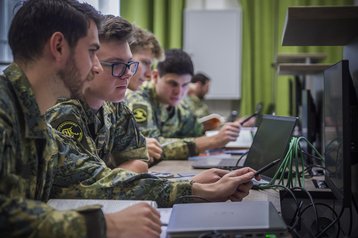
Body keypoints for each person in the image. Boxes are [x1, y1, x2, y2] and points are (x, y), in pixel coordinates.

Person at [0, 2, 257, 237]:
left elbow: (91, 180)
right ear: (58, 47)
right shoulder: (8, 113)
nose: (96, 67)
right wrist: (107, 225)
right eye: (91, 52)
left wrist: (190, 187)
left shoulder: (33, 116)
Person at [46, 15, 150, 173]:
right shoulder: (62, 111)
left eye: (129, 64)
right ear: (88, 62)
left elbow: (139, 161)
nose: (128, 73)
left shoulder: (115, 107)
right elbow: (85, 184)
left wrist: (114, 177)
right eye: (116, 64)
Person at [126, 49, 242, 160]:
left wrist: (226, 131)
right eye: (173, 84)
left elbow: (197, 131)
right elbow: (152, 147)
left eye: (185, 85)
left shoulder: (179, 106)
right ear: (155, 76)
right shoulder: (138, 100)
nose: (179, 92)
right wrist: (212, 141)